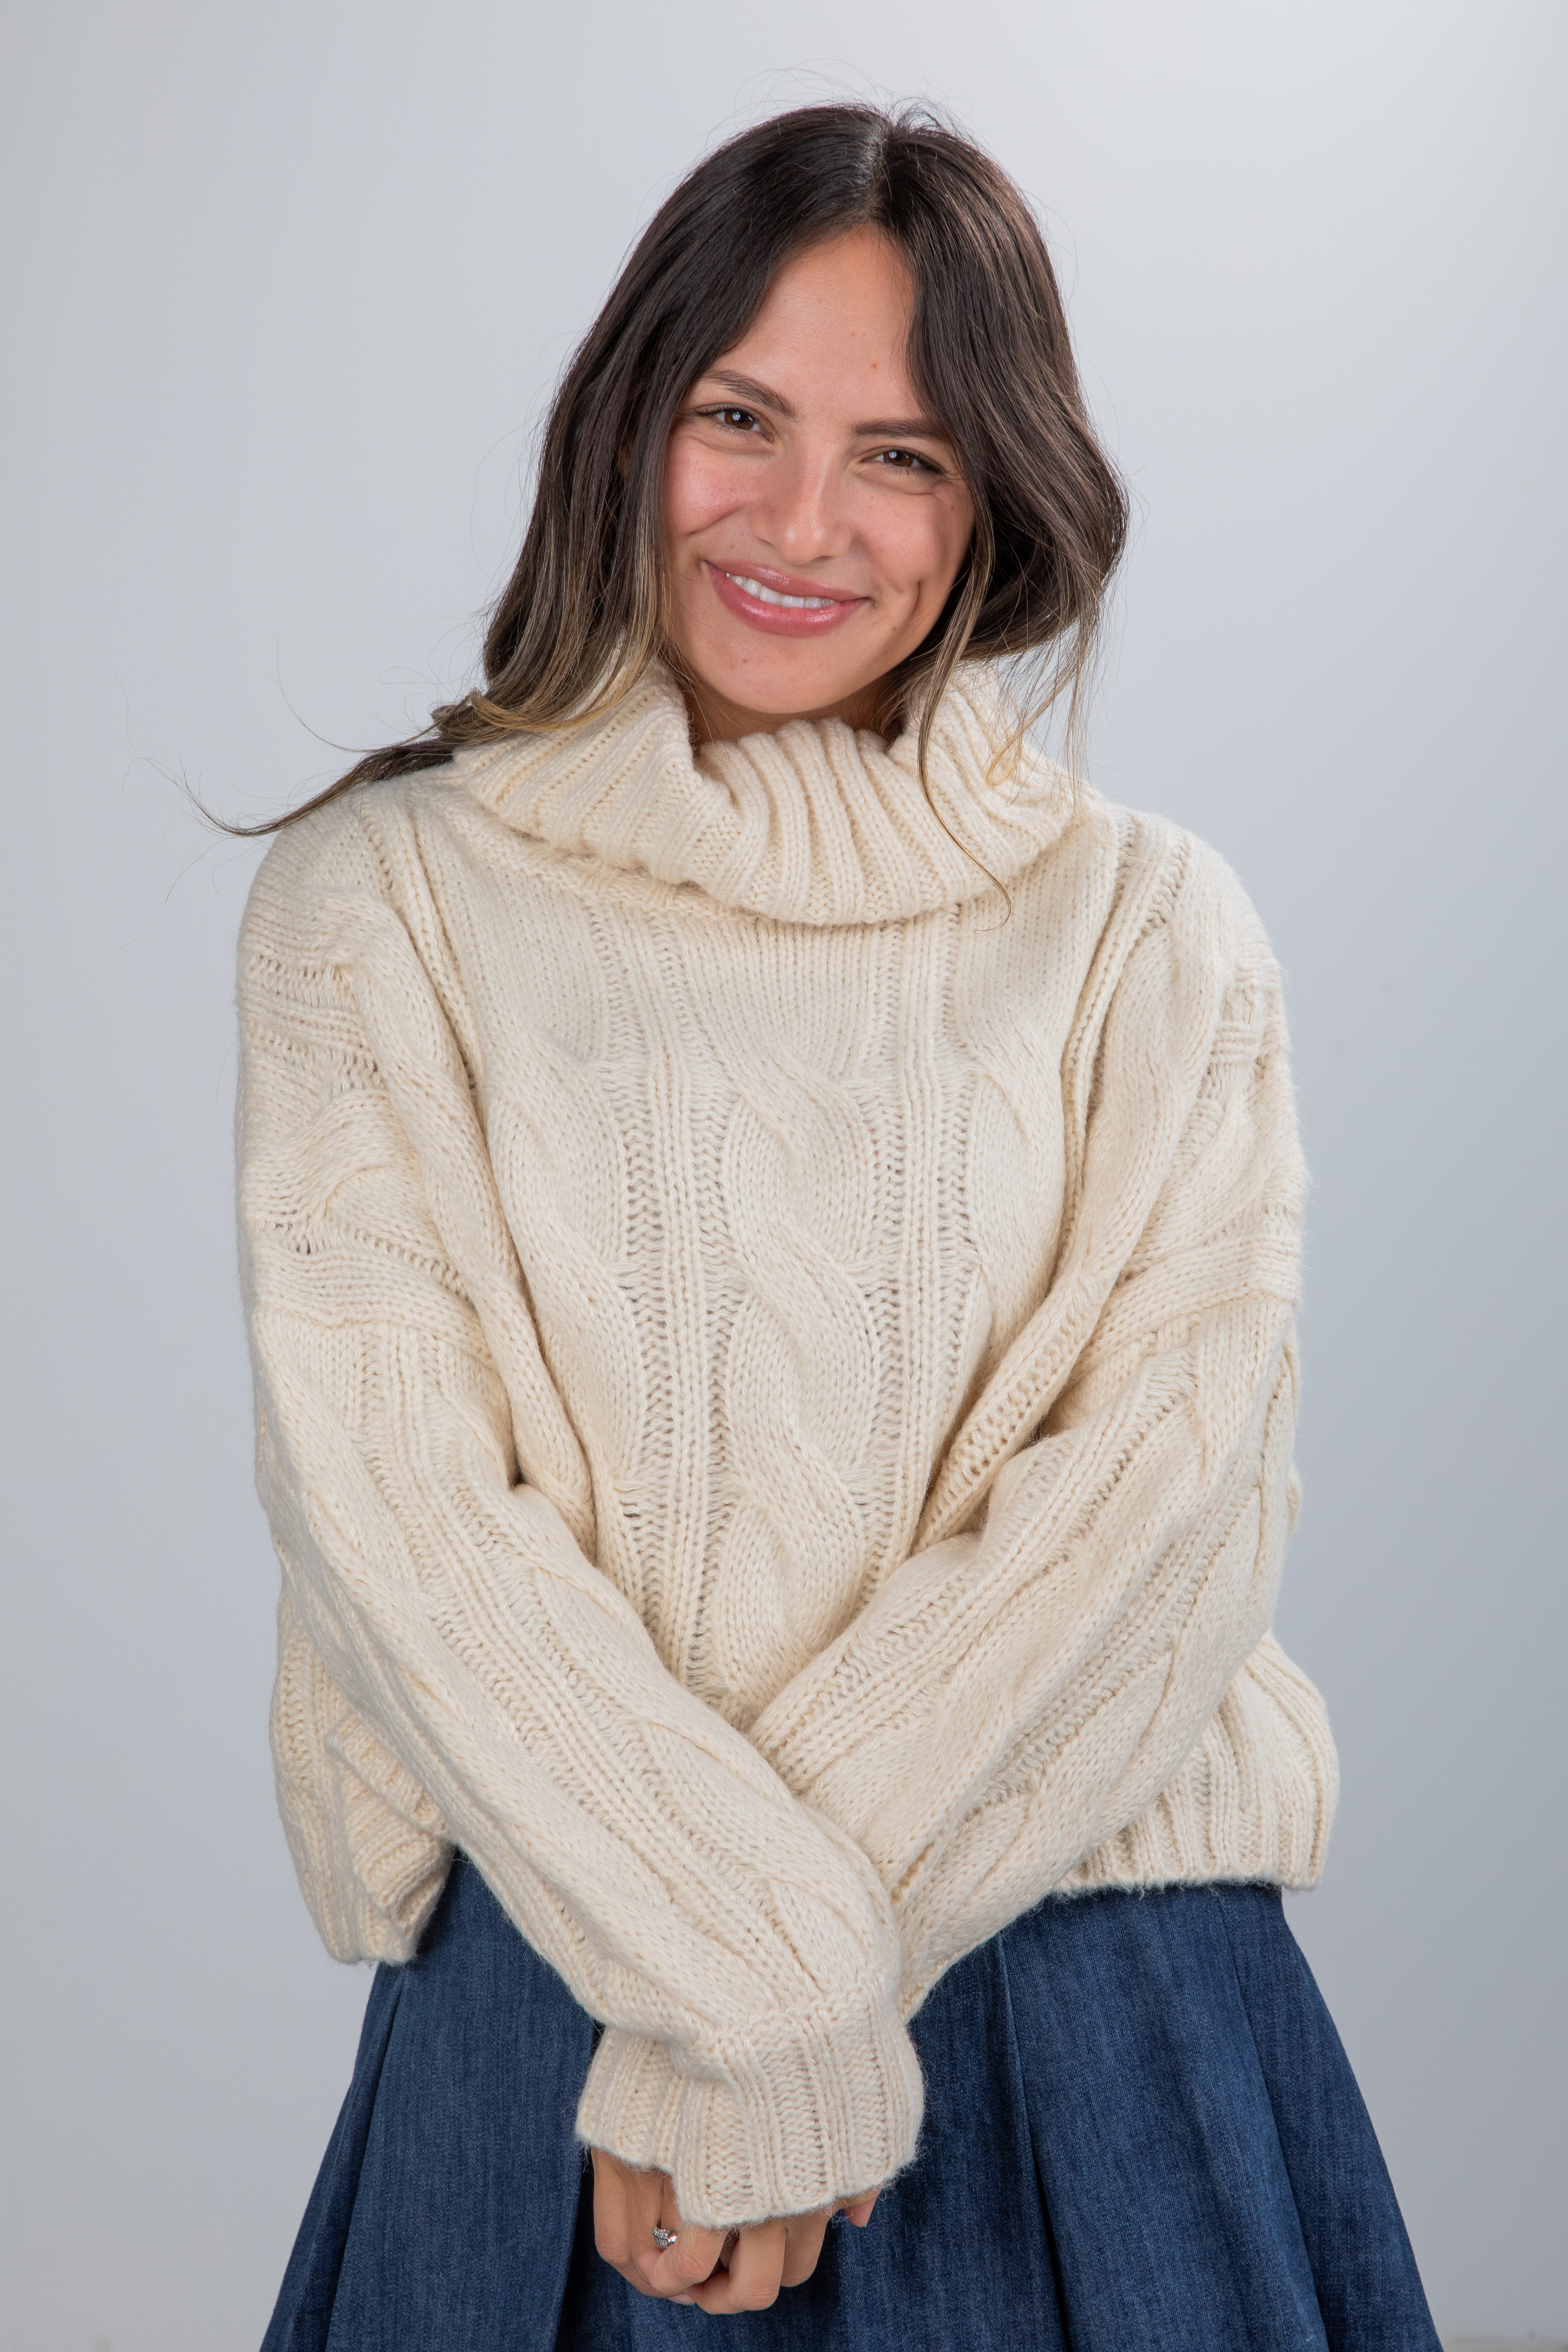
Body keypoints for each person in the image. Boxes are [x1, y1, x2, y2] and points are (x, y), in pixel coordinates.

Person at [238, 102, 1441, 2351]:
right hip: (566, 2035)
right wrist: (745, 2006)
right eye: (742, 420)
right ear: (631, 428)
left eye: (900, 454)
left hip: (1089, 2008)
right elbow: (396, 1515)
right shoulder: (379, 903)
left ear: (997, 496)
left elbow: (1166, 1523)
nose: (805, 522)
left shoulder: (1149, 932)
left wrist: (755, 2026)